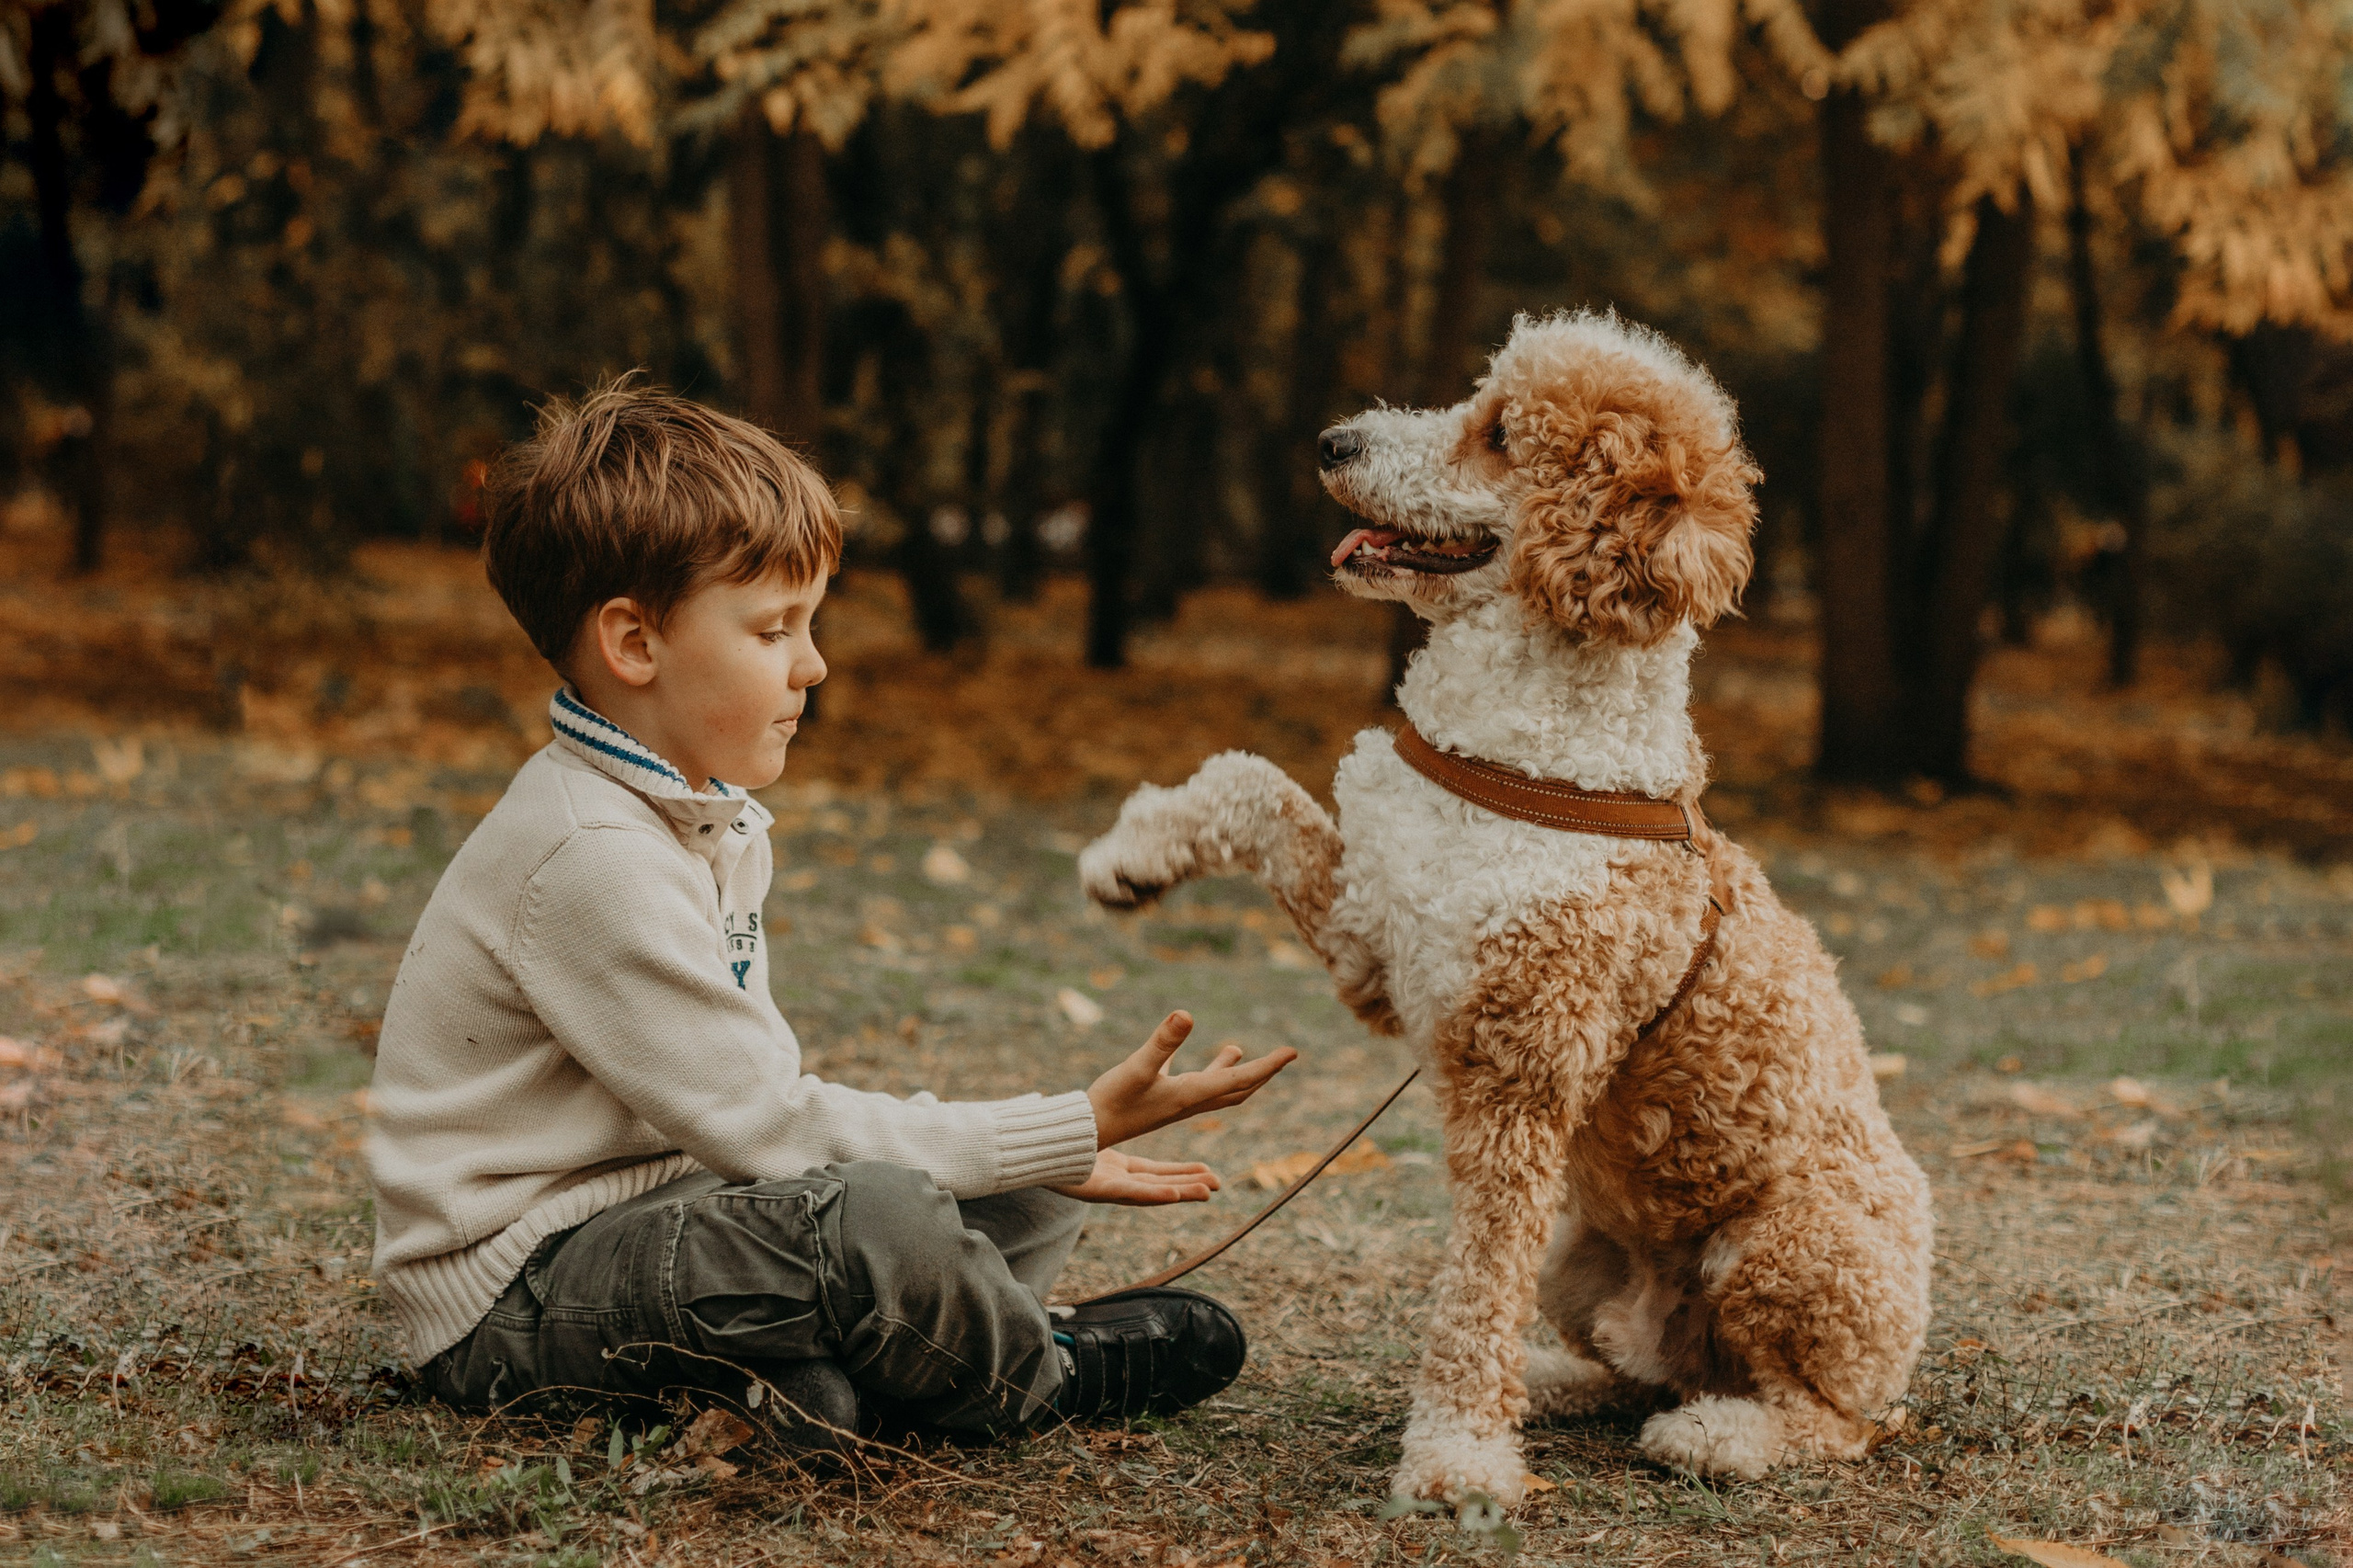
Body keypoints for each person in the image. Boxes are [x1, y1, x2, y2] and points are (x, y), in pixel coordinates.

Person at [362, 378, 1295, 1450]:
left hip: (666, 1228)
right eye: (773, 629)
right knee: (886, 1219)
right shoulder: (590, 851)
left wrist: (1040, 1150)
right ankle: (1039, 1368)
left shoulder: (702, 821)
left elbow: (761, 1134)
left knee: (1026, 1189)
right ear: (633, 643)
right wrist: (1059, 1124)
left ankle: (812, 1392)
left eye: (810, 624)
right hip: (516, 1295)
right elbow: (771, 1126)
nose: (813, 664)